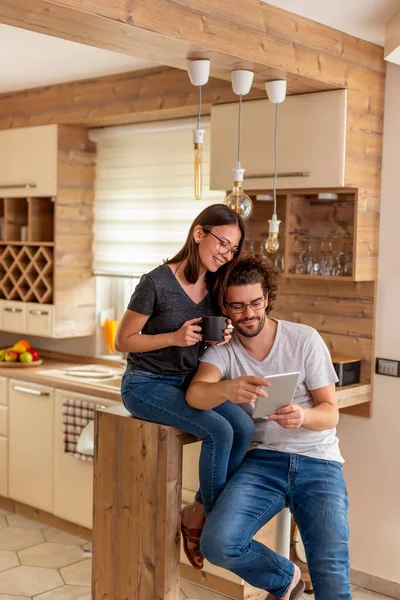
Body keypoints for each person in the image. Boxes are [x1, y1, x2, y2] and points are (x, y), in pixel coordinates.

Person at [186, 254, 351, 600]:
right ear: (226, 309)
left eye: (256, 302)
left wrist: (303, 417)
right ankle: (284, 577)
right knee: (218, 543)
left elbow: (330, 413)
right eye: (238, 306)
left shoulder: (304, 339)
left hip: (318, 461)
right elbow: (196, 395)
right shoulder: (223, 350)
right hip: (262, 463)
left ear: (267, 298)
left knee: (331, 575)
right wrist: (228, 389)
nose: (249, 313)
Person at [116, 204, 255, 570]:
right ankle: (216, 526)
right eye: (222, 243)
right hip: (145, 384)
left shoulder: (214, 286)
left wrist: (218, 339)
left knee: (243, 425)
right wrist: (174, 337)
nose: (225, 254)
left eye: (232, 249)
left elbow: (202, 346)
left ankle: (195, 513)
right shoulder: (156, 282)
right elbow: (124, 340)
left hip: (187, 384)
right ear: (198, 234)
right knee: (219, 431)